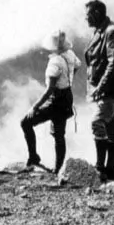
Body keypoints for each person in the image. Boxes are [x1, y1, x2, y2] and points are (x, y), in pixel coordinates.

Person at [20, 30, 81, 174]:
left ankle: (34, 157)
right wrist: (68, 78)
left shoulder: (54, 62)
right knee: (59, 134)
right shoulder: (70, 54)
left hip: (55, 99)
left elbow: (49, 89)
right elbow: (77, 65)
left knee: (25, 122)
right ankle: (58, 168)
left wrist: (35, 107)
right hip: (67, 97)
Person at [84, 0, 114, 181]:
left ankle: (100, 168)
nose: (85, 18)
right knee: (110, 124)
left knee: (98, 122)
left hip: (111, 89)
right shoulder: (102, 31)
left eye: (87, 15)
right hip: (108, 88)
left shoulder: (112, 33)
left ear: (96, 14)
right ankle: (111, 169)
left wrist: (100, 87)